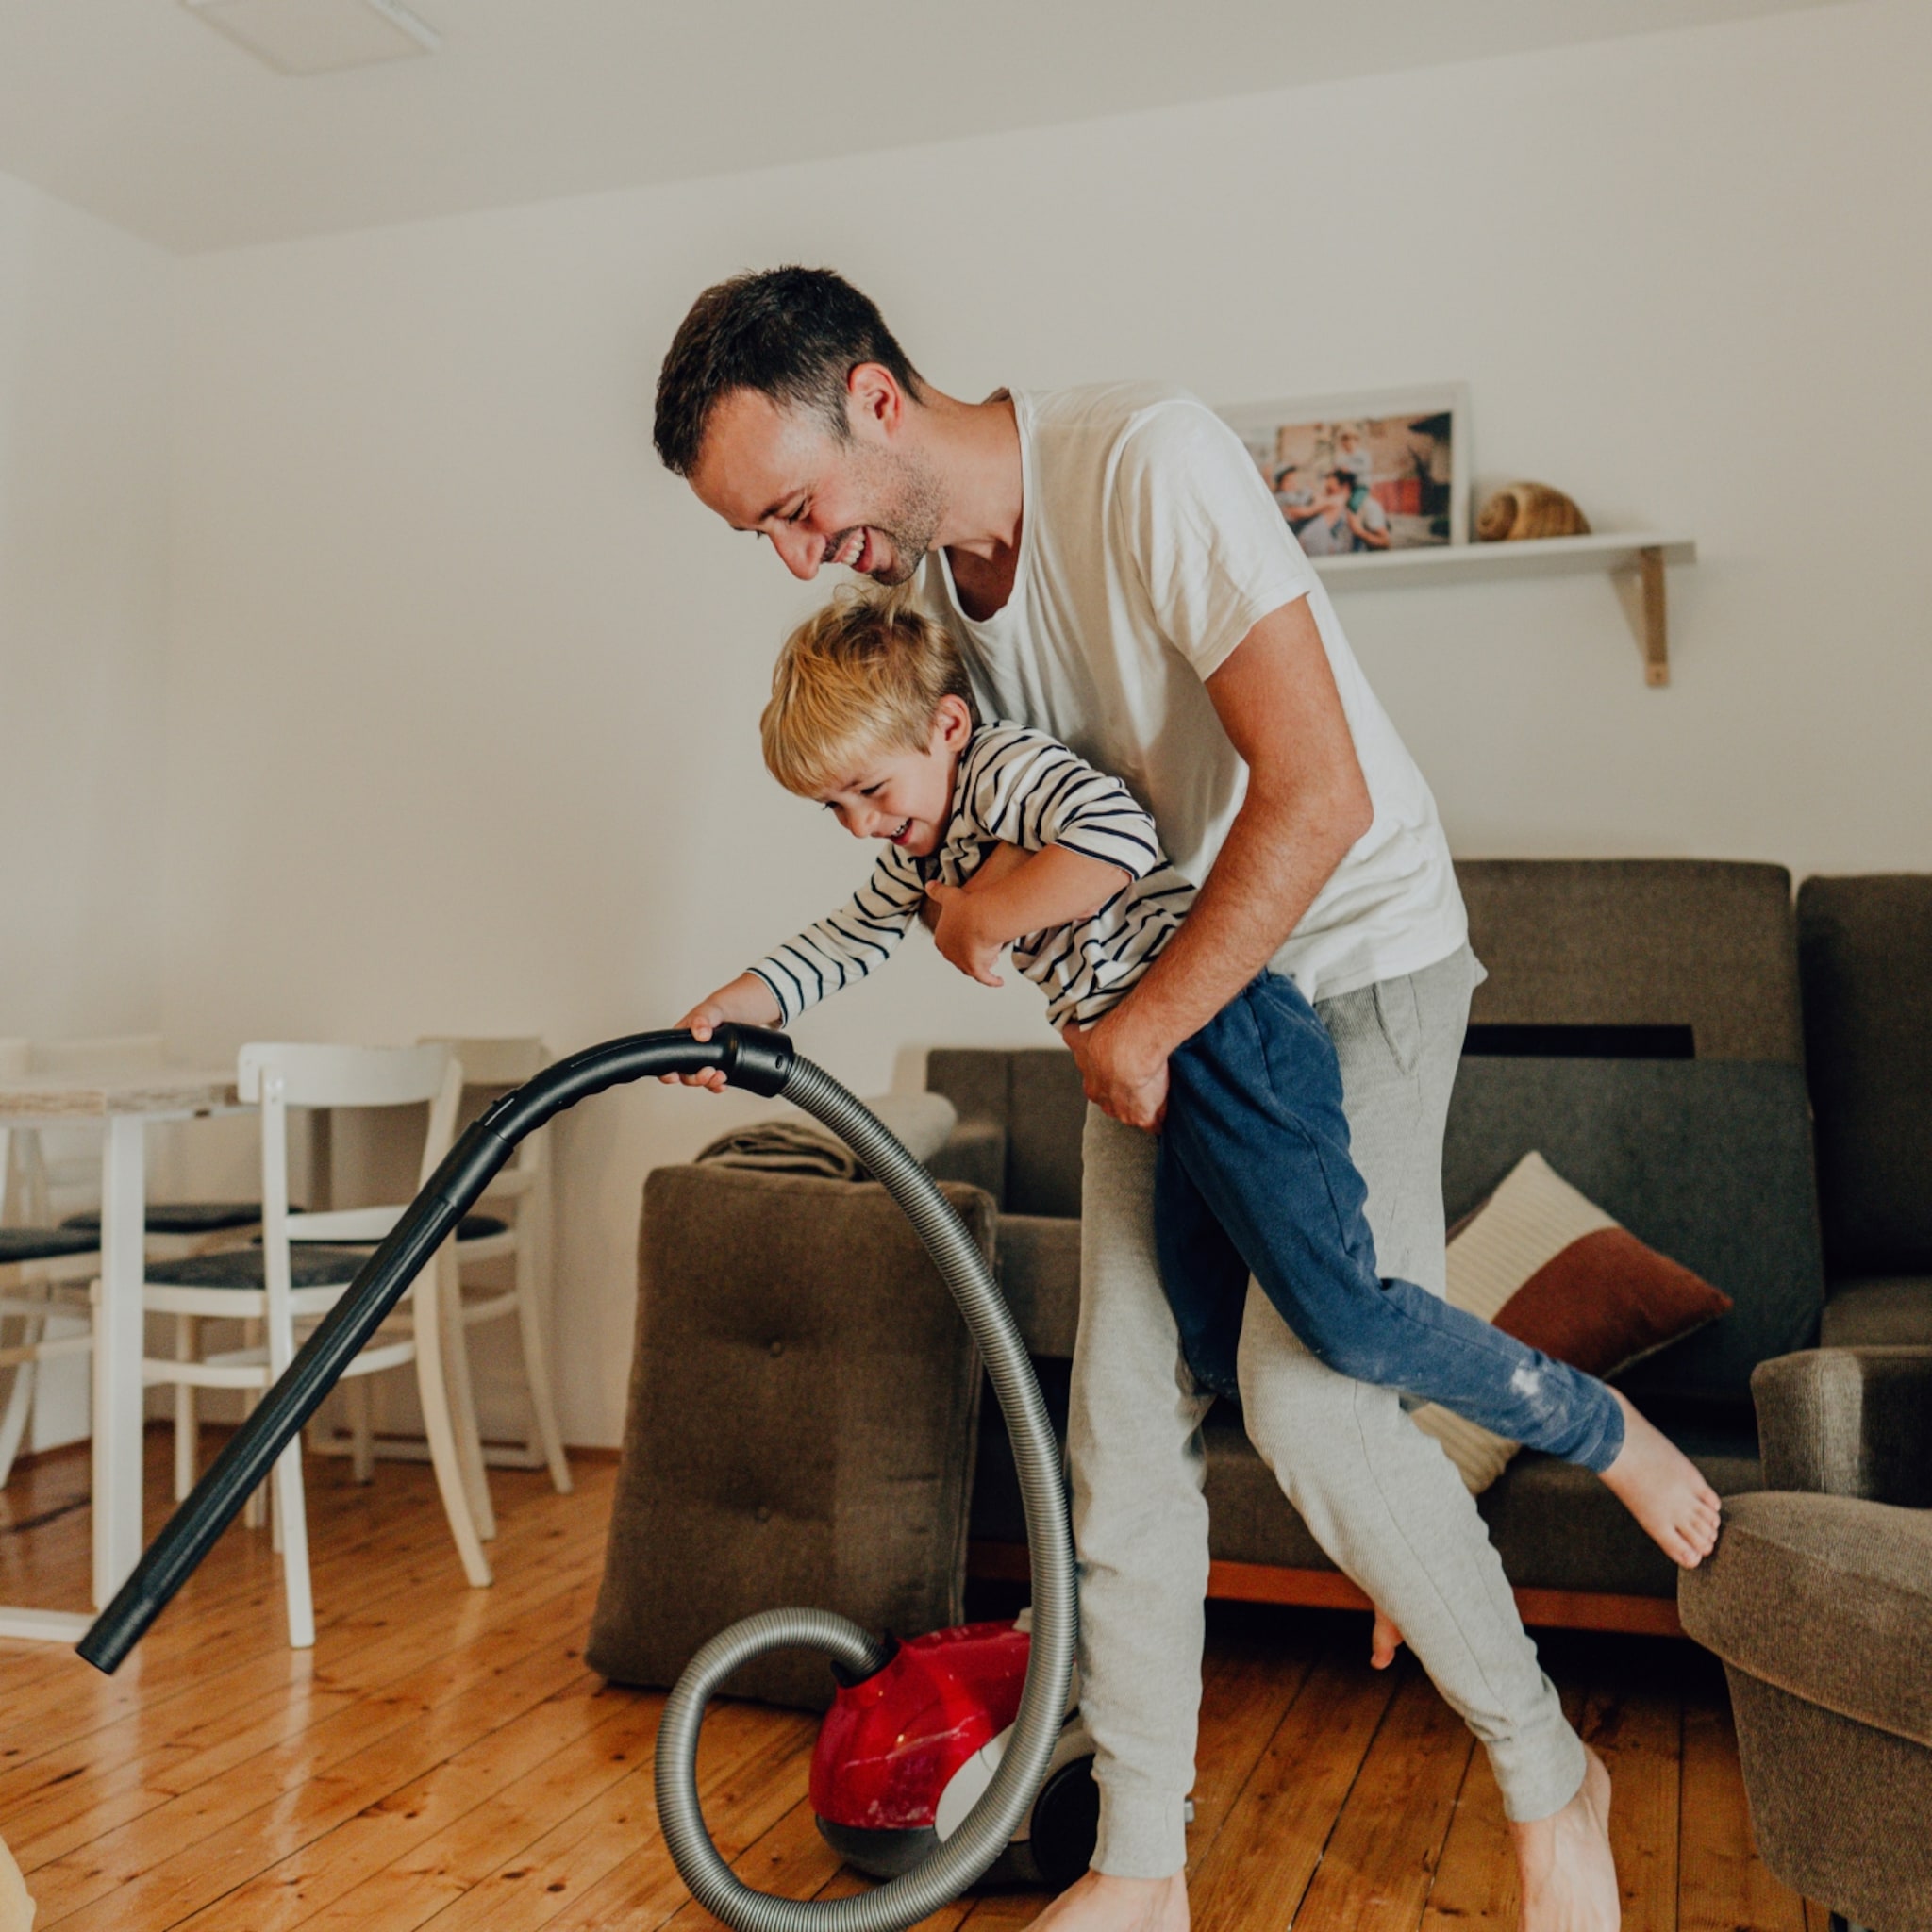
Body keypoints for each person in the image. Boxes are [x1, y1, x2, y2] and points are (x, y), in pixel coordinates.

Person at [651, 264, 1645, 1932]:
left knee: (1317, 1398)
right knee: (1116, 1416)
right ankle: (1140, 1864)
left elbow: (1311, 792)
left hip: (1343, 966)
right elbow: (943, 865)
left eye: (797, 507)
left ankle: (1556, 1779)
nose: (798, 556)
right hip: (1158, 1004)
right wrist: (774, 984)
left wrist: (1130, 1026)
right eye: (762, 533)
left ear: (877, 404)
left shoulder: (1147, 465)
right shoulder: (927, 618)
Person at [675, 587, 1723, 1571]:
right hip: (1155, 1083)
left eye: (869, 790)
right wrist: (735, 1005)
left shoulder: (1003, 772)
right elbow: (843, 940)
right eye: (833, 808)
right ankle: (1401, 1504)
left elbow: (1118, 837)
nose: (861, 823)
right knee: (1204, 1344)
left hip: (1230, 1034)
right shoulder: (918, 846)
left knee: (1345, 1317)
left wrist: (986, 914)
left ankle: (1594, 1423)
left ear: (945, 728)